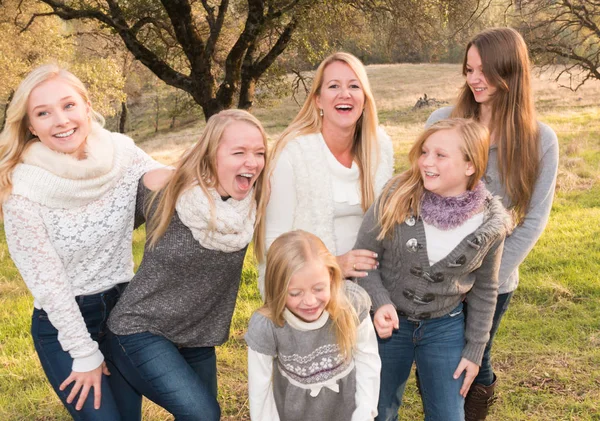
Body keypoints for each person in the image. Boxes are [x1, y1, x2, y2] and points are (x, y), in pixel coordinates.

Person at [0, 64, 159, 420]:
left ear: (87, 106)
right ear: (30, 126)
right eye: (43, 113)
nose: (60, 120)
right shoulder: (22, 188)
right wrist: (83, 352)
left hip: (123, 311)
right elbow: (48, 283)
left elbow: (165, 183)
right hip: (65, 324)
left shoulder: (122, 154)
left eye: (68, 105)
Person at [426, 27, 559, 420]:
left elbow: (533, 220)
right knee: (439, 358)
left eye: (484, 70)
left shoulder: (540, 140)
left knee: (475, 355)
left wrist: (486, 277)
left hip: (494, 279)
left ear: (511, 72)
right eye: (468, 69)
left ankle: (474, 411)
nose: (474, 80)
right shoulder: (443, 121)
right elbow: (421, 195)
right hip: (438, 273)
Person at [107, 109, 269, 420]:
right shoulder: (169, 191)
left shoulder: (253, 206)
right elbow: (107, 227)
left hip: (198, 339)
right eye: (239, 152)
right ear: (211, 153)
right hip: (138, 329)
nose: (252, 162)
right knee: (203, 414)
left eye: (259, 153)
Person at [354, 118, 513, 421]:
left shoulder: (490, 224)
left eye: (440, 155)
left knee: (448, 416)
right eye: (424, 152)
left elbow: (485, 289)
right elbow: (364, 260)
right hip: (389, 325)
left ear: (470, 165)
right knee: (377, 411)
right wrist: (380, 302)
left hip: (444, 327)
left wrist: (475, 351)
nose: (426, 162)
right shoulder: (396, 197)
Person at [261, 52, 394, 295]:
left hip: (372, 288)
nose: (345, 94)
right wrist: (333, 266)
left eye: (354, 86)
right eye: (334, 86)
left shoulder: (380, 149)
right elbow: (274, 243)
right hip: (310, 292)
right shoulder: (293, 155)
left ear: (364, 99)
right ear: (318, 100)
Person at [245, 230, 381, 421]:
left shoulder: (351, 303)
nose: (309, 301)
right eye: (295, 293)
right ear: (277, 288)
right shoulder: (267, 326)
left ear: (332, 277)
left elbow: (367, 358)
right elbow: (260, 391)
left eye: (318, 289)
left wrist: (364, 412)